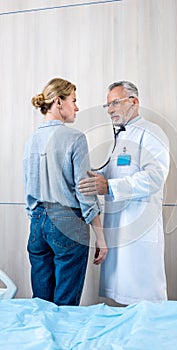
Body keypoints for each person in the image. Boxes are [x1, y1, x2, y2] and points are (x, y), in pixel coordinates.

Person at [78, 81, 170, 305]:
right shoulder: (120, 137)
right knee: (121, 300)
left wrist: (109, 187)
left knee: (144, 300)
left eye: (115, 103)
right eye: (107, 105)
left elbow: (155, 178)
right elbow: (108, 172)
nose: (110, 110)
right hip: (119, 229)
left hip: (140, 232)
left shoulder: (152, 134)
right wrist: (80, 172)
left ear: (134, 102)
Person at [23, 78, 108, 306]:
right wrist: (101, 237)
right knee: (66, 307)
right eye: (74, 101)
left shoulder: (31, 141)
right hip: (68, 221)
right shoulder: (75, 138)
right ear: (58, 102)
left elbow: (29, 189)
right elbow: (86, 192)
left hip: (37, 222)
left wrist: (39, 221)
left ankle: (42, 341)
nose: (77, 107)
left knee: (41, 304)